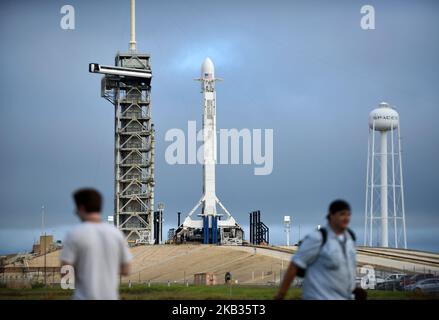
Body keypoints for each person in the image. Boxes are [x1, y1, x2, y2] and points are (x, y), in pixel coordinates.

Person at [275, 200, 360, 300]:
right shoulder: (317, 238)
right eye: (342, 214)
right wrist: (281, 295)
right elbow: (294, 266)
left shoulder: (350, 238)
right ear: (331, 215)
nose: (346, 218)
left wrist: (353, 290)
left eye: (348, 215)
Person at [60, 188, 132, 300]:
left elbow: (66, 276)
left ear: (81, 207)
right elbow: (126, 270)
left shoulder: (74, 234)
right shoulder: (116, 234)